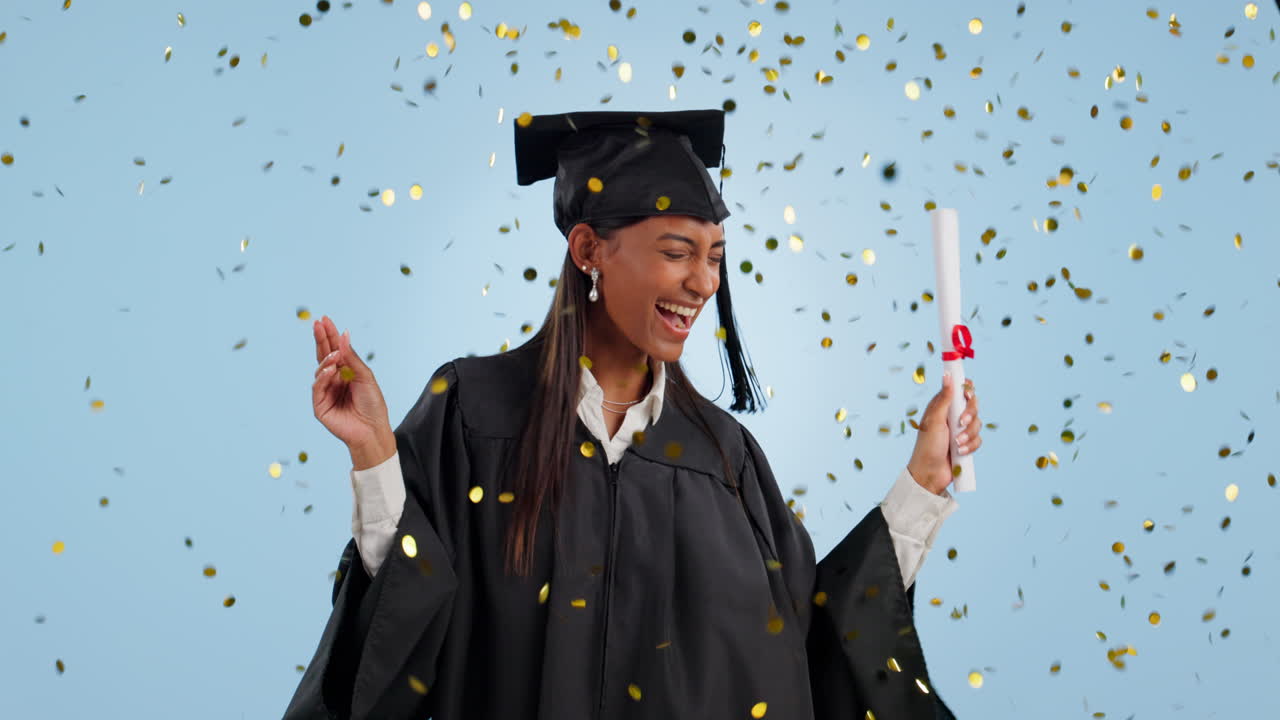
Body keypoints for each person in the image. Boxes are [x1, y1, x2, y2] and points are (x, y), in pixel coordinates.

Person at [285, 109, 983, 720]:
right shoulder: (475, 411)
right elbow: (403, 613)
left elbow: (816, 643)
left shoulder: (723, 457)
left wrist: (921, 481)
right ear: (589, 250)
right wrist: (375, 455)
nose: (703, 282)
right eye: (677, 252)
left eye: (714, 257)